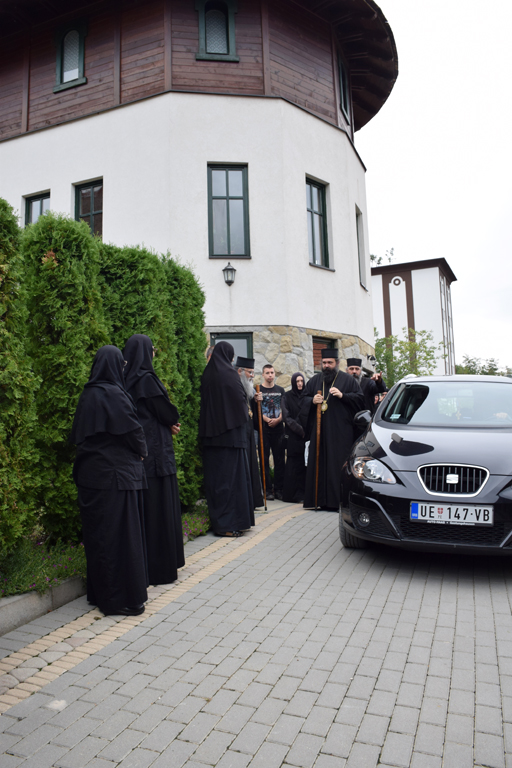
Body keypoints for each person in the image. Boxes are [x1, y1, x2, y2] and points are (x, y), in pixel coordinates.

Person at [70, 345, 148, 616]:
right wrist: (142, 452)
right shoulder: (114, 394)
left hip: (90, 477)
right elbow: (133, 431)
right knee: (119, 539)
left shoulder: (88, 393)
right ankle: (120, 600)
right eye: (122, 365)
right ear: (115, 366)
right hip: (115, 478)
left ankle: (100, 593)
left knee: (98, 537)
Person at [123, 334, 185, 585]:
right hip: (157, 455)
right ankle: (161, 569)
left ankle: (147, 567)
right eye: (152, 350)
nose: (154, 355)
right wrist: (171, 421)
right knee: (159, 511)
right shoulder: (147, 380)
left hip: (142, 454)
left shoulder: (126, 379)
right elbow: (168, 412)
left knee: (147, 513)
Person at [199, 341, 254, 536]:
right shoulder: (229, 374)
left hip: (211, 438)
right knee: (232, 483)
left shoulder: (207, 375)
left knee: (217, 483)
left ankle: (221, 523)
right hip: (231, 439)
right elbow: (240, 403)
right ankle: (230, 525)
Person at [303, 348, 365, 511]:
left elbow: (360, 400)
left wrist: (343, 396)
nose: (326, 366)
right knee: (319, 463)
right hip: (320, 432)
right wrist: (312, 400)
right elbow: (302, 399)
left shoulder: (348, 380)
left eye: (330, 363)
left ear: (336, 363)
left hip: (340, 433)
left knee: (337, 466)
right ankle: (318, 500)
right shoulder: (315, 380)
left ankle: (336, 501)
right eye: (324, 363)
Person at [236, 355, 264, 508]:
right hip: (239, 435)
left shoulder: (248, 390)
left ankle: (253, 500)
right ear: (240, 371)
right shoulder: (236, 387)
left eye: (253, 372)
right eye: (250, 372)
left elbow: (251, 412)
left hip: (249, 433)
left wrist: (256, 401)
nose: (252, 376)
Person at [256, 364, 286, 501]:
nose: (270, 375)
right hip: (264, 430)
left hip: (278, 429)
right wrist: (266, 419)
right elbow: (256, 409)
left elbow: (284, 408)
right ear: (263, 374)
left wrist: (279, 419)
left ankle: (279, 489)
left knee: (279, 460)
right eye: (267, 373)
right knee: (264, 460)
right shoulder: (259, 390)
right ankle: (267, 490)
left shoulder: (280, 390)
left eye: (272, 372)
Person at [281, 372, 307, 503]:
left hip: (305, 437)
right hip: (293, 436)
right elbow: (286, 417)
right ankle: (291, 496)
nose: (300, 384)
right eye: (297, 381)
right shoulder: (287, 396)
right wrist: (299, 429)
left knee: (303, 465)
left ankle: (303, 495)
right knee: (292, 466)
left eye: (301, 381)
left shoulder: (307, 396)